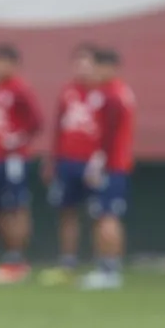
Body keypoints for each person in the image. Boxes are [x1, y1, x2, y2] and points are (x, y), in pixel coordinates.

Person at [40, 44, 101, 285]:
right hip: (68, 162)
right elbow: (59, 128)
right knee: (67, 212)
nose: (82, 69)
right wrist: (53, 160)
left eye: (87, 63)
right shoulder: (68, 93)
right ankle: (68, 262)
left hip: (93, 164)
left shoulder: (102, 95)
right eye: (78, 63)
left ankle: (101, 263)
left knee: (98, 213)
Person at [0, 43, 43, 285]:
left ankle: (17, 259)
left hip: (14, 159)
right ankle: (11, 254)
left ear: (13, 64)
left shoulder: (20, 89)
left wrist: (16, 138)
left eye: (2, 61)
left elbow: (36, 122)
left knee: (16, 206)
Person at [79, 48, 136, 291]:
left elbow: (110, 133)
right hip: (114, 164)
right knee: (106, 215)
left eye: (99, 67)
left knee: (107, 217)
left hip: (112, 166)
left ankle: (109, 270)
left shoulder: (112, 95)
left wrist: (99, 159)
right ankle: (109, 267)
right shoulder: (116, 92)